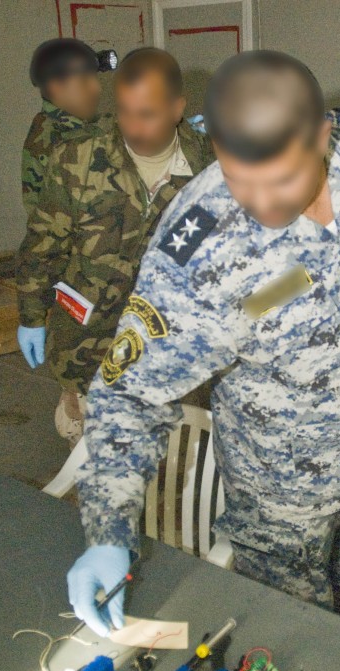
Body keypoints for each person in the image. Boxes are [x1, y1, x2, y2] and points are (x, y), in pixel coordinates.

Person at [64, 51, 340, 636]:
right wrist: (108, 531)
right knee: (295, 647)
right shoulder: (197, 249)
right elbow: (127, 393)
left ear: (322, 134)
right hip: (282, 495)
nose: (262, 205)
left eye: (283, 178)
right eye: (242, 180)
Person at [16, 48, 210, 446]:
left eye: (149, 113)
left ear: (177, 108)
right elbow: (43, 245)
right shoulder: (78, 155)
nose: (134, 127)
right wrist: (32, 316)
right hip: (89, 348)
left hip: (172, 353)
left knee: (172, 476)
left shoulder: (210, 167)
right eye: (125, 111)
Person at [22, 38, 107, 216]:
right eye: (85, 80)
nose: (97, 88)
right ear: (56, 87)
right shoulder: (57, 139)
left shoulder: (80, 127)